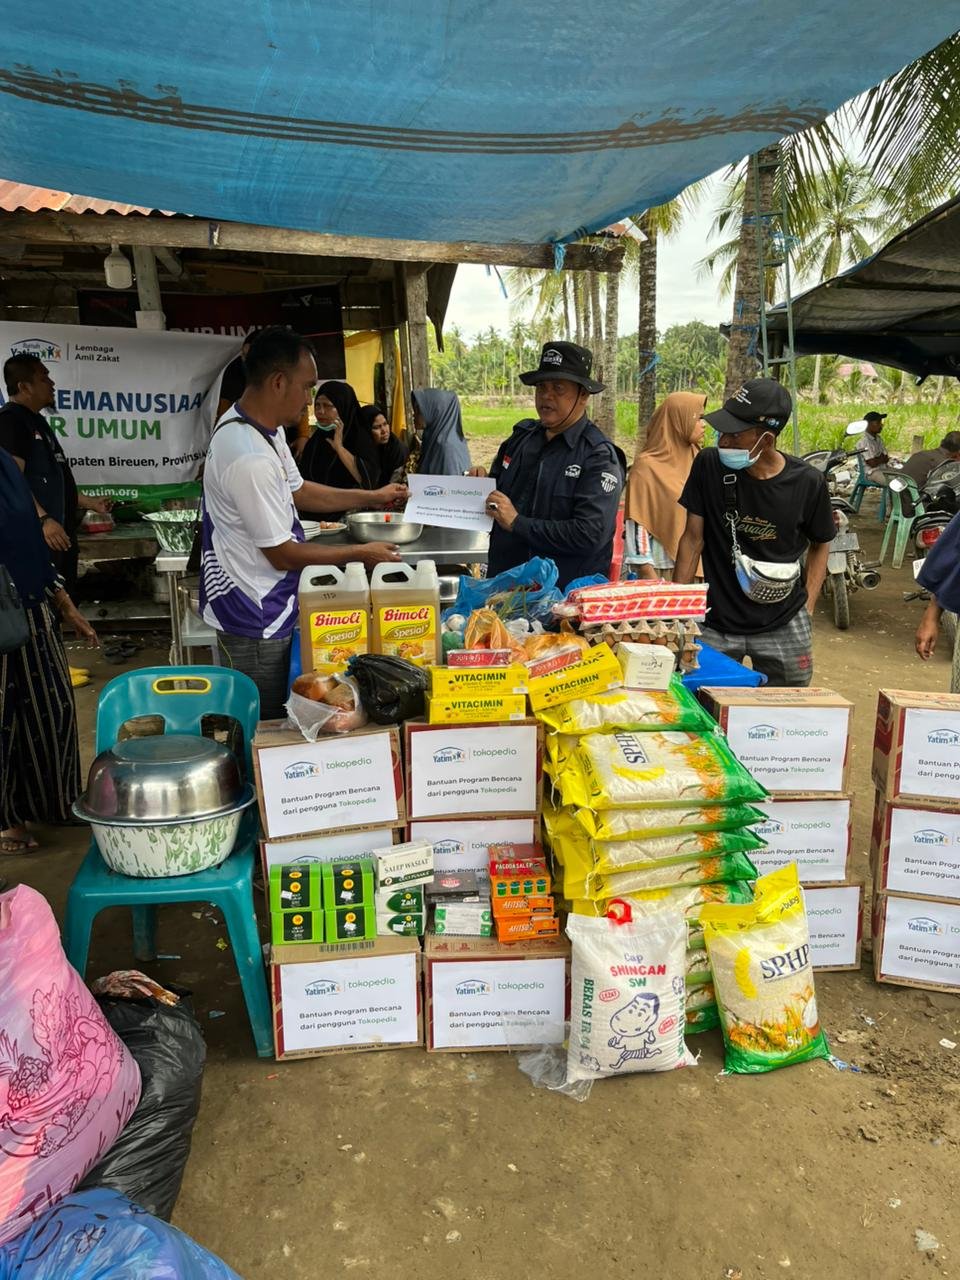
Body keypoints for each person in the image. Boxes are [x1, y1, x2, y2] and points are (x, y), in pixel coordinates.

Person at [199, 328, 406, 718]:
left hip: (269, 601)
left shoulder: (261, 428)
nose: (310, 400)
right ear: (278, 382)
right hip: (254, 615)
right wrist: (360, 554)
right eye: (307, 387)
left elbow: (299, 491)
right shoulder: (248, 457)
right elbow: (282, 554)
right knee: (264, 726)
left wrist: (373, 496)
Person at [673, 378, 835, 687]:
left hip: (784, 621)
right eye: (722, 432)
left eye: (734, 435)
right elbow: (693, 538)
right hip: (715, 622)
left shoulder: (808, 483)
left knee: (788, 707)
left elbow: (821, 544)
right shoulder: (709, 466)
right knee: (704, 704)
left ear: (767, 439)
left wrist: (809, 607)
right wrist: (677, 611)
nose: (723, 443)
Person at [0, 449, 97, 855]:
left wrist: (65, 603)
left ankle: (55, 802)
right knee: (5, 722)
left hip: (34, 606)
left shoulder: (4, 463)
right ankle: (7, 822)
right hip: (2, 611)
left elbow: (30, 543)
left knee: (52, 707)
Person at [470, 342, 624, 589]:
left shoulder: (598, 456)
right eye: (541, 387)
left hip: (563, 604)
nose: (546, 396)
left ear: (583, 395)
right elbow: (496, 500)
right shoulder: (520, 439)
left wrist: (518, 522)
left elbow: (589, 534)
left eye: (558, 388)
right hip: (505, 591)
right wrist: (480, 484)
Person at [0, 353, 112, 598]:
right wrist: (43, 520)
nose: (52, 384)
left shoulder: (37, 422)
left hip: (59, 536)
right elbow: (10, 481)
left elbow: (50, 479)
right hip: (36, 539)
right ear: (24, 387)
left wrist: (90, 502)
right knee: (44, 609)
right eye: (44, 378)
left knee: (64, 606)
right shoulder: (11, 422)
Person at [625, 391, 707, 579]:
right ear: (678, 421)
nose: (703, 425)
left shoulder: (698, 459)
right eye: (698, 418)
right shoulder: (646, 467)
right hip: (660, 572)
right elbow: (637, 524)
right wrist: (650, 578)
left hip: (695, 570)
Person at [299, 380, 380, 506]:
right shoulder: (314, 442)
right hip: (315, 515)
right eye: (317, 406)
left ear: (343, 407)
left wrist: (340, 448)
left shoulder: (359, 440)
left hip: (349, 515)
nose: (320, 411)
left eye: (327, 406)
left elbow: (368, 482)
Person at [410, 389, 470, 476]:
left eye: (419, 410)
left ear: (435, 412)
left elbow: (451, 486)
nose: (414, 415)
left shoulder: (447, 451)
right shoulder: (432, 437)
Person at [361, 404, 408, 486]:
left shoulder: (397, 450)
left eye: (385, 424)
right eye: (376, 427)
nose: (384, 431)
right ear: (365, 430)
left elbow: (395, 487)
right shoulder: (360, 446)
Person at [855, 410, 891, 480]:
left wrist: (877, 459)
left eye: (880, 422)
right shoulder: (864, 441)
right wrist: (881, 458)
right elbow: (872, 463)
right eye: (878, 422)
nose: (881, 425)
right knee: (893, 483)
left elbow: (886, 458)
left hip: (883, 469)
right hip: (871, 473)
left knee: (904, 476)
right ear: (868, 424)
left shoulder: (878, 439)